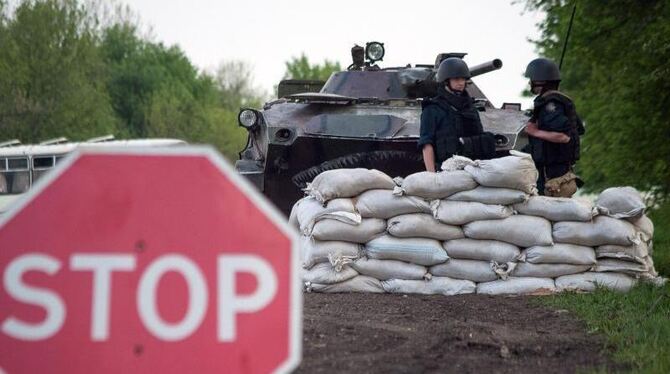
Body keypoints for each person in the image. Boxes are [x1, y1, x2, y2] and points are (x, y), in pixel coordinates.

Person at [418, 57, 495, 172]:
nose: (460, 83)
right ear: (446, 81)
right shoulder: (433, 109)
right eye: (456, 79)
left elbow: (479, 136)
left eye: (463, 79)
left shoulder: (470, 108)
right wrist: (432, 176)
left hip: (473, 169)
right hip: (446, 171)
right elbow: (426, 144)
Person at [524, 57, 585, 197]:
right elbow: (579, 129)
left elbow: (564, 137)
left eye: (532, 78)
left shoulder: (550, 104)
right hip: (561, 168)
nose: (530, 82)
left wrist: (535, 131)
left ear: (541, 81)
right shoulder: (561, 100)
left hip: (552, 173)